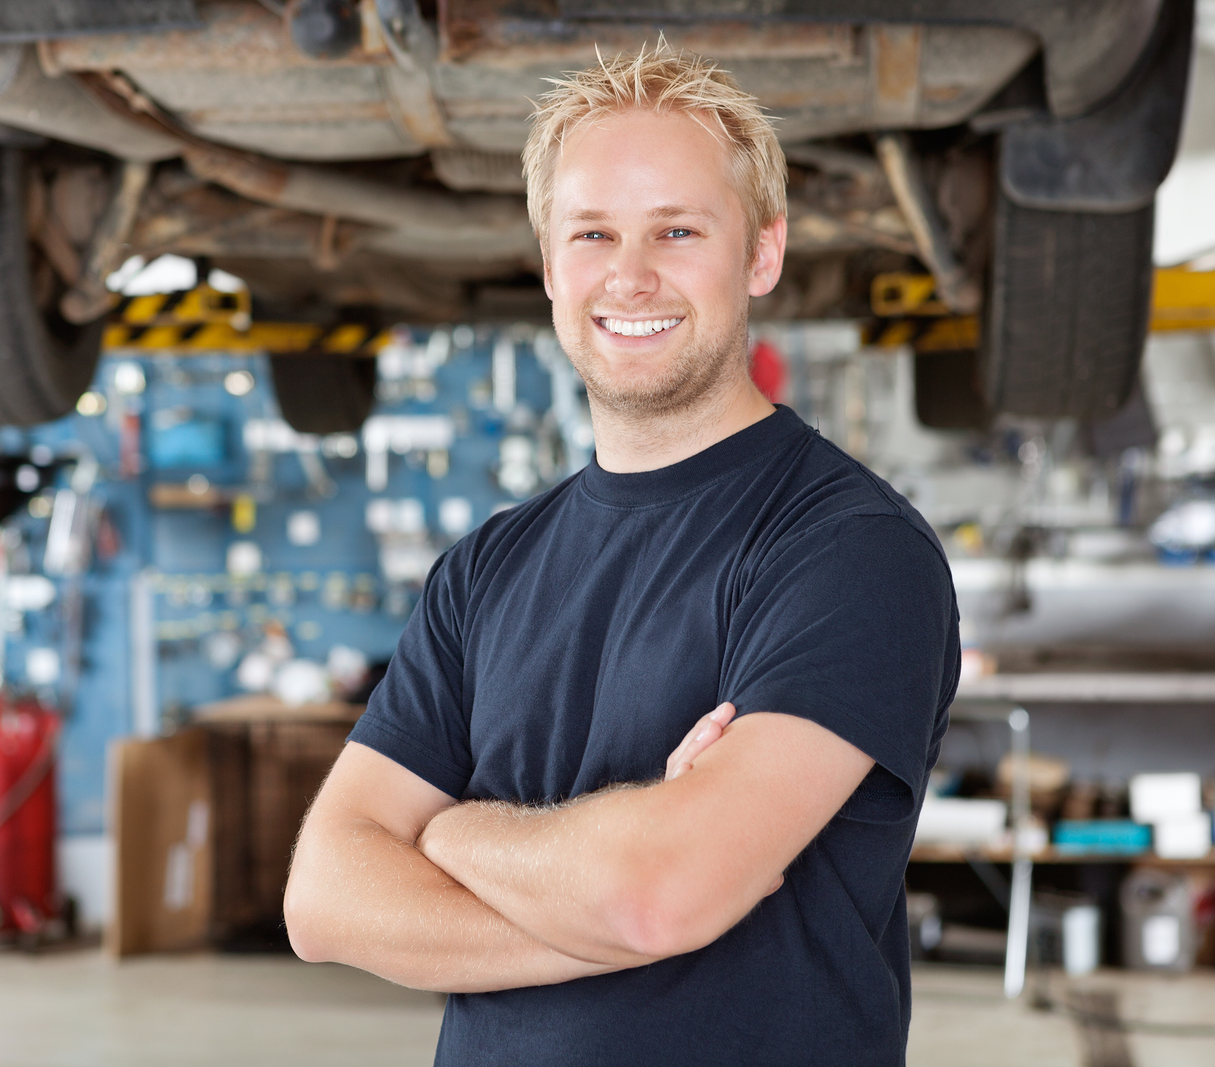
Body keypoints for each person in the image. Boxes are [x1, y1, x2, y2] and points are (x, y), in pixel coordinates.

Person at [285, 44, 959, 1067]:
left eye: (678, 230)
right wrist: (599, 895)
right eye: (591, 232)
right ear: (551, 264)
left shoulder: (849, 549)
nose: (629, 274)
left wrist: (451, 833)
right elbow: (324, 899)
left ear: (760, 253)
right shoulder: (485, 568)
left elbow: (657, 895)